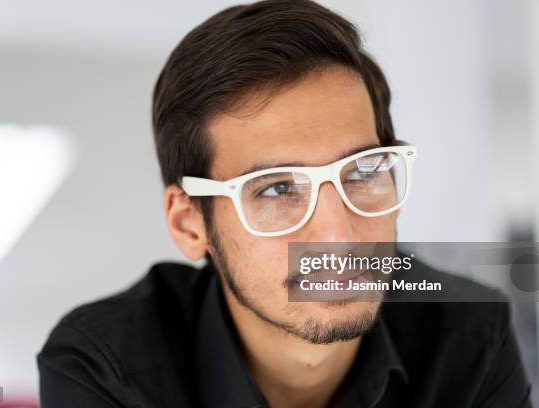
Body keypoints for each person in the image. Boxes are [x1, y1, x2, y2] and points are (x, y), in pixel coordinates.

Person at [37, 0, 531, 406]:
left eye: (362, 173)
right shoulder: (104, 366)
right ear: (190, 224)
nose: (338, 234)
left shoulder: (469, 336)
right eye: (275, 189)